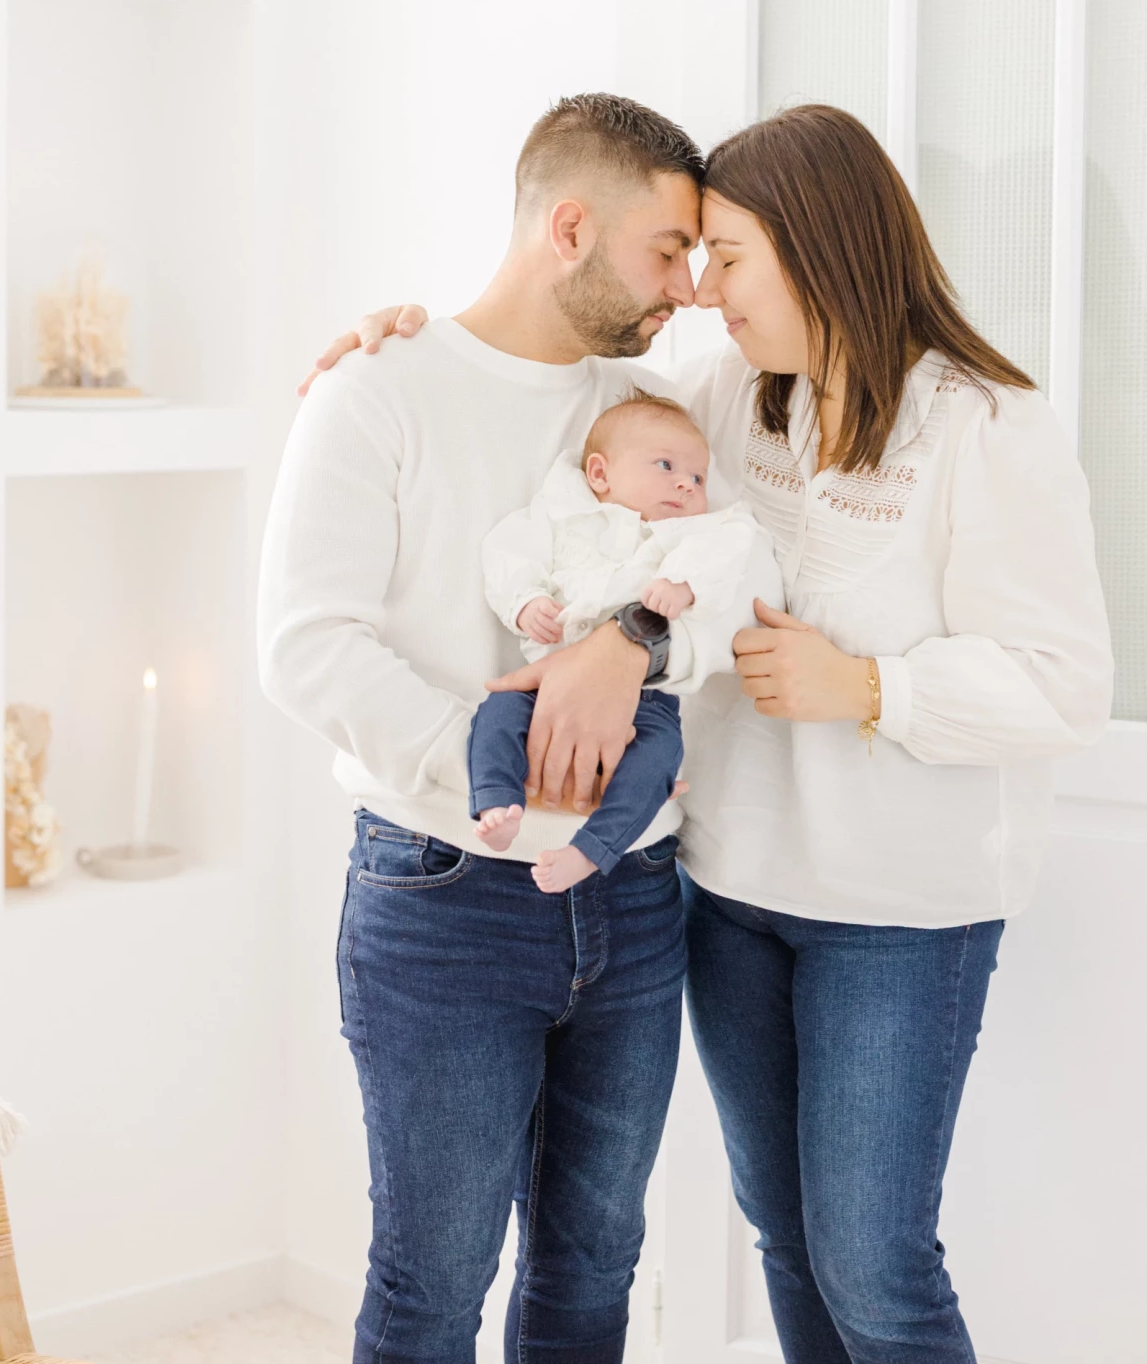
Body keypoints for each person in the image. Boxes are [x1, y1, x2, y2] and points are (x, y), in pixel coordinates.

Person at [310, 102, 1113, 1364]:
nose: (698, 293)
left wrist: (869, 689)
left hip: (895, 914)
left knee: (876, 1266)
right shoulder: (728, 397)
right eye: (691, 256)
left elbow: (1066, 682)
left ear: (819, 247)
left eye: (725, 257)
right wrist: (393, 336)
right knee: (786, 1242)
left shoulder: (987, 427)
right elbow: (568, 429)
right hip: (729, 895)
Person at [258, 91, 776, 1364]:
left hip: (639, 892)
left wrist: (633, 647)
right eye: (668, 254)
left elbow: (730, 585)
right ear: (568, 226)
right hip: (441, 893)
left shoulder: (665, 402)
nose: (691, 289)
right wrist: (503, 756)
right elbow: (305, 646)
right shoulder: (378, 390)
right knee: (433, 1282)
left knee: (596, 1269)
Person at [473, 386, 774, 892]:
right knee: (497, 713)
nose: (685, 486)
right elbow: (507, 550)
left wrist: (685, 584)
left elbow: (733, 547)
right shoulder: (559, 514)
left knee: (658, 761)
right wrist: (524, 602)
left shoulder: (692, 535)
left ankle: (589, 852)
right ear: (599, 473)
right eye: (666, 466)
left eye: (697, 477)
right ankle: (496, 804)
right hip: (544, 684)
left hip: (648, 699)